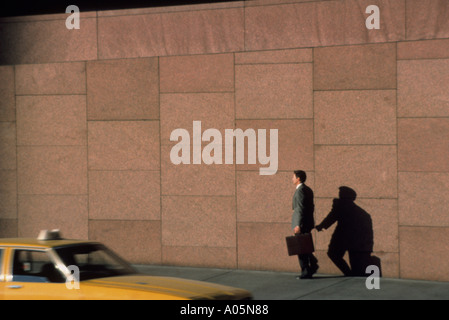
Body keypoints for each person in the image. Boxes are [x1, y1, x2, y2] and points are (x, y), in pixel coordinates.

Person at [315, 186, 374, 276]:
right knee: (353, 260)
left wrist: (321, 226)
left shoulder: (341, 205)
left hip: (342, 237)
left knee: (333, 253)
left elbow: (331, 217)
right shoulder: (361, 212)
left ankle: (349, 273)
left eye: (341, 193)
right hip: (355, 239)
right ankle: (351, 274)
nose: (339, 194)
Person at [291, 170, 319, 279]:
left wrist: (297, 225)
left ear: (298, 179)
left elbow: (299, 209)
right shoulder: (308, 189)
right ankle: (312, 265)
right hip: (307, 223)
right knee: (305, 247)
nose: (292, 179)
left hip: (301, 224)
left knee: (301, 249)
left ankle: (306, 271)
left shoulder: (300, 191)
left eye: (293, 177)